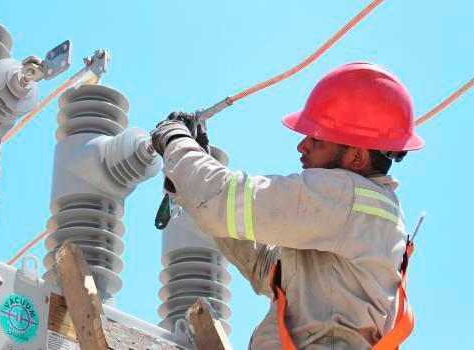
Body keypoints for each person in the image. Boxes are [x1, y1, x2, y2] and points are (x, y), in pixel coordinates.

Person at [150, 62, 423, 349]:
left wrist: (175, 142)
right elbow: (270, 269)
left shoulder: (343, 196)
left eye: (317, 139)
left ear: (356, 157)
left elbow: (220, 199)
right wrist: (193, 181)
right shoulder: (360, 213)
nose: (301, 146)